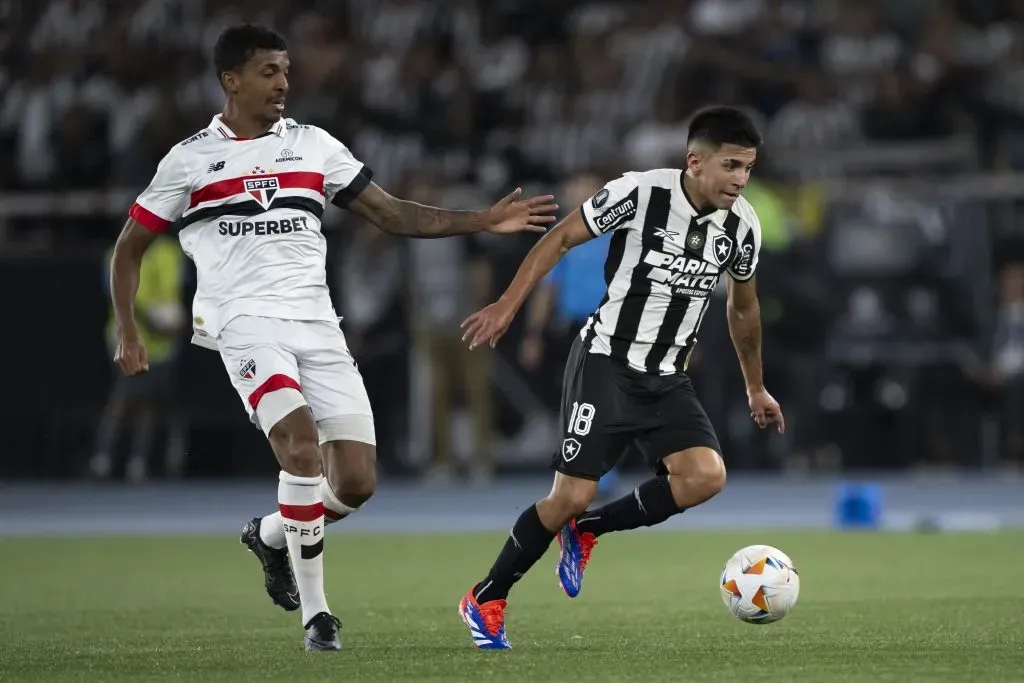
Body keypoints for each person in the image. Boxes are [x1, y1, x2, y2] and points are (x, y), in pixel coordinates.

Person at [108, 24, 556, 652]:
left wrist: (481, 218)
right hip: (242, 321)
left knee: (356, 482)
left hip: (317, 322)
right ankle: (318, 615)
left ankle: (268, 536)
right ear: (230, 80)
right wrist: (129, 330)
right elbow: (129, 249)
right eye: (268, 71)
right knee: (298, 447)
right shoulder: (188, 160)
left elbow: (392, 212)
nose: (283, 83)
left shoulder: (315, 146)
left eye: (286, 71)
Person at [457, 106, 785, 649]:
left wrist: (755, 386)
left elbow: (743, 310)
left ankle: (587, 534)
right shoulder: (640, 193)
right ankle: (487, 595)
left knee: (705, 476)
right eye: (731, 166)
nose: (740, 179)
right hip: (607, 361)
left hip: (668, 377)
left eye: (748, 167)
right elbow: (561, 238)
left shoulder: (742, 224)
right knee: (568, 497)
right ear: (695, 161)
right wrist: (508, 305)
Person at [518, 171, 620, 498]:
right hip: (571, 328)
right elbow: (547, 288)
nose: (579, 192)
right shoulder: (562, 235)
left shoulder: (619, 233)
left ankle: (602, 471)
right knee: (574, 399)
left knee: (606, 398)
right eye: (575, 187)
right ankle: (579, 468)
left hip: (609, 325)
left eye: (587, 187)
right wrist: (534, 334)